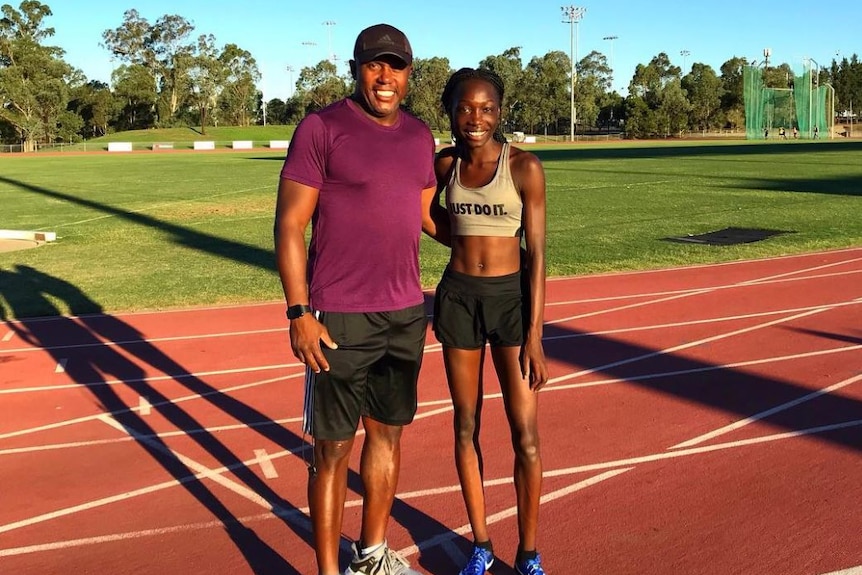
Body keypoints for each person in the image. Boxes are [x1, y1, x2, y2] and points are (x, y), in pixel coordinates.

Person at [274, 23, 437, 575]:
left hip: (405, 313)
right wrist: (298, 312)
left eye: (396, 66)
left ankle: (371, 557)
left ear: (410, 74)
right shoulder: (321, 128)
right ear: (356, 69)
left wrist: (495, 229)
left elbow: (425, 215)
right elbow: (290, 225)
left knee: (387, 438)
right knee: (332, 452)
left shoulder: (419, 136)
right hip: (338, 315)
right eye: (374, 65)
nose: (385, 76)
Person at [422, 68, 549, 575]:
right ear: (451, 112)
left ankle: (528, 552)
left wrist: (536, 334)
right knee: (465, 424)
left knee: (526, 435)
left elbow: (537, 254)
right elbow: (423, 215)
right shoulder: (444, 164)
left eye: (487, 108)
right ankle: (480, 542)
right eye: (466, 108)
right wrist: (463, 241)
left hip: (511, 303)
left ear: (501, 112)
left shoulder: (525, 168)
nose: (477, 118)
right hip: (458, 299)